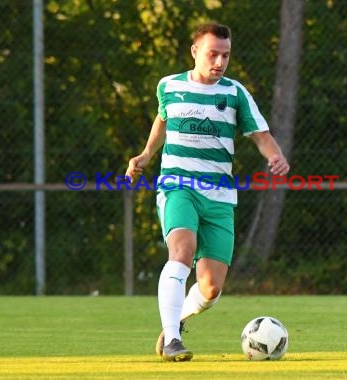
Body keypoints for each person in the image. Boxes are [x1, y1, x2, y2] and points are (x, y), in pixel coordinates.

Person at [124, 23, 290, 362]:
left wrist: (275, 154)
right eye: (213, 53)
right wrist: (146, 155)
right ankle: (172, 340)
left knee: (211, 289)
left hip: (219, 196)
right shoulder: (169, 85)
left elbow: (260, 135)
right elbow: (163, 120)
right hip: (178, 185)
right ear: (195, 51)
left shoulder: (234, 93)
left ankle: (179, 320)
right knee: (181, 252)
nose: (219, 61)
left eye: (225, 55)